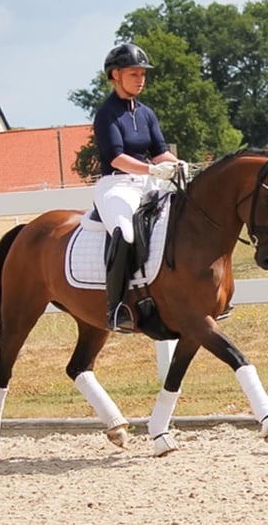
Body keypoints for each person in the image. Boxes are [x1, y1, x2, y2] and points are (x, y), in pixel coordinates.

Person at [93, 42, 182, 333]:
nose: (141, 79)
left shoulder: (146, 113)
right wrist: (152, 169)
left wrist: (180, 164)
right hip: (116, 186)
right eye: (134, 73)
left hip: (147, 182)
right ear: (115, 75)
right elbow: (116, 158)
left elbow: (159, 151)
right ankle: (115, 307)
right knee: (125, 231)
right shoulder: (107, 114)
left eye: (143, 73)